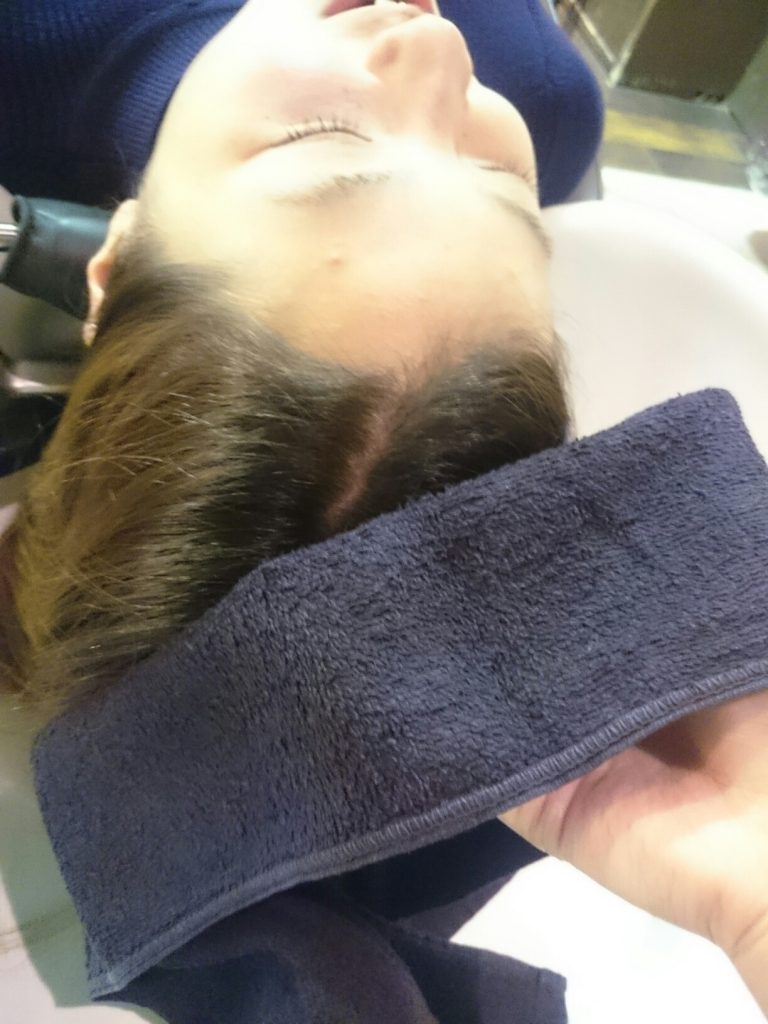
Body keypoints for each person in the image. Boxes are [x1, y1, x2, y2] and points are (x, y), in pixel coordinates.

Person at [0, 0, 764, 1017]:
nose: (435, 52)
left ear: (113, 258)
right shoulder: (544, 97)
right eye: (500, 186)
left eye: (318, 137)